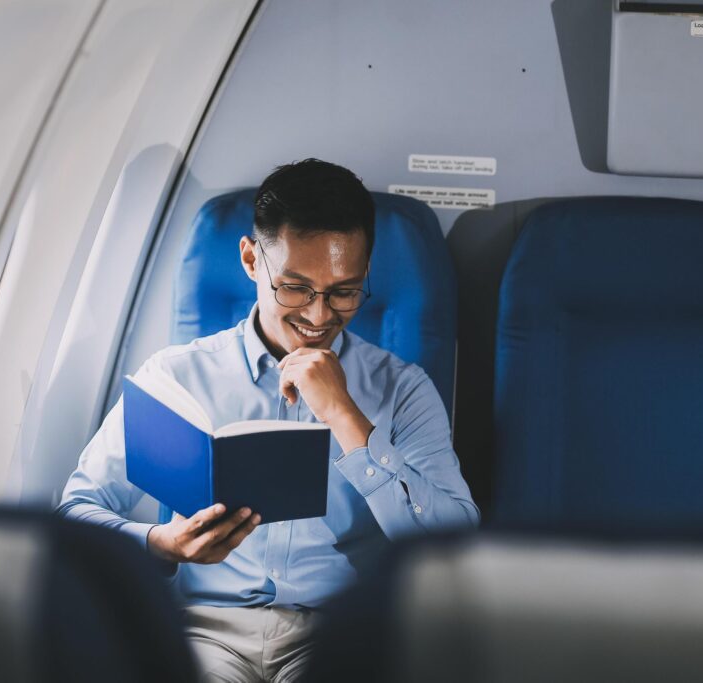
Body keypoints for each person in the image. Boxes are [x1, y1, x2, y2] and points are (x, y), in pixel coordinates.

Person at [58, 159, 479, 682]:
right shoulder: (176, 376)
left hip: (341, 634)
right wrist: (161, 544)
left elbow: (455, 544)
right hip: (208, 632)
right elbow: (78, 511)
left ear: (365, 275)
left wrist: (346, 418)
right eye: (296, 288)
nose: (319, 316)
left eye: (344, 291)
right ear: (252, 260)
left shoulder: (403, 387)